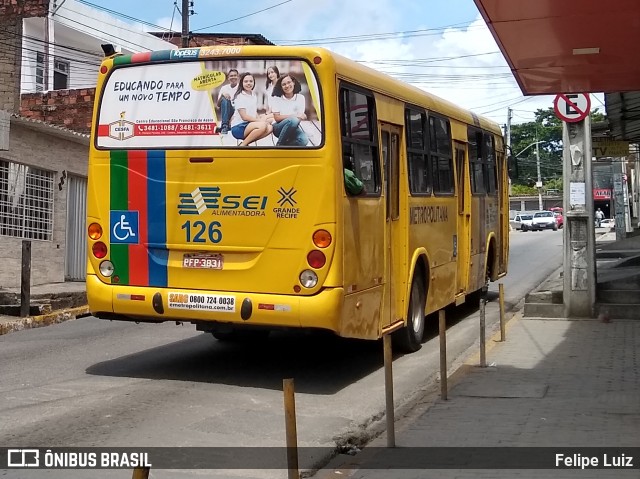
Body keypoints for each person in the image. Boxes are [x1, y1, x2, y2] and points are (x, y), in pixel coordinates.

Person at [230, 72, 273, 147]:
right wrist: (260, 121)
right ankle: (243, 145)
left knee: (270, 127)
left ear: (254, 82)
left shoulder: (253, 95)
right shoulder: (240, 96)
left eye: (251, 81)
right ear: (242, 83)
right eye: (246, 81)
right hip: (238, 127)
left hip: (249, 124)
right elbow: (244, 117)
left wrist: (260, 118)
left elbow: (254, 111)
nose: (248, 83)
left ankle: (246, 142)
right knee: (263, 125)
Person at [270, 74, 309, 146]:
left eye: (289, 82)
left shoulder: (300, 98)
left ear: (293, 82)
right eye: (284, 84)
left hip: (293, 127)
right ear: (281, 87)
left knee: (304, 140)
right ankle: (279, 146)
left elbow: (300, 118)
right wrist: (294, 115)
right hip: (278, 127)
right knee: (293, 119)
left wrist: (297, 117)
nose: (287, 86)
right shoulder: (277, 98)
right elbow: (277, 118)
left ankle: (283, 146)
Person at [216, 69, 239, 134]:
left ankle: (226, 126)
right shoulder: (224, 88)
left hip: (238, 112)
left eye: (235, 75)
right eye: (231, 76)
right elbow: (218, 105)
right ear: (228, 78)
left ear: (238, 77)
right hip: (228, 111)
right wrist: (222, 95)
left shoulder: (241, 87)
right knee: (224, 98)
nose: (233, 77)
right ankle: (225, 126)